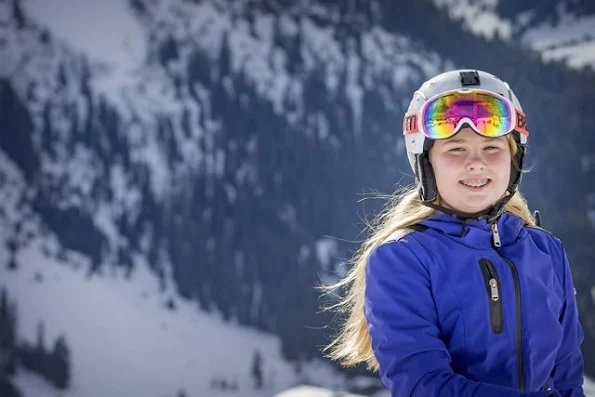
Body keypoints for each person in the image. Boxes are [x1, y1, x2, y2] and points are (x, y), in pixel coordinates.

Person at [323, 69, 585, 396]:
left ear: (514, 159)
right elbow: (423, 385)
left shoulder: (547, 252)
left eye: (492, 149)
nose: (476, 163)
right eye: (456, 149)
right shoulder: (401, 260)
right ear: (426, 162)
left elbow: (568, 373)